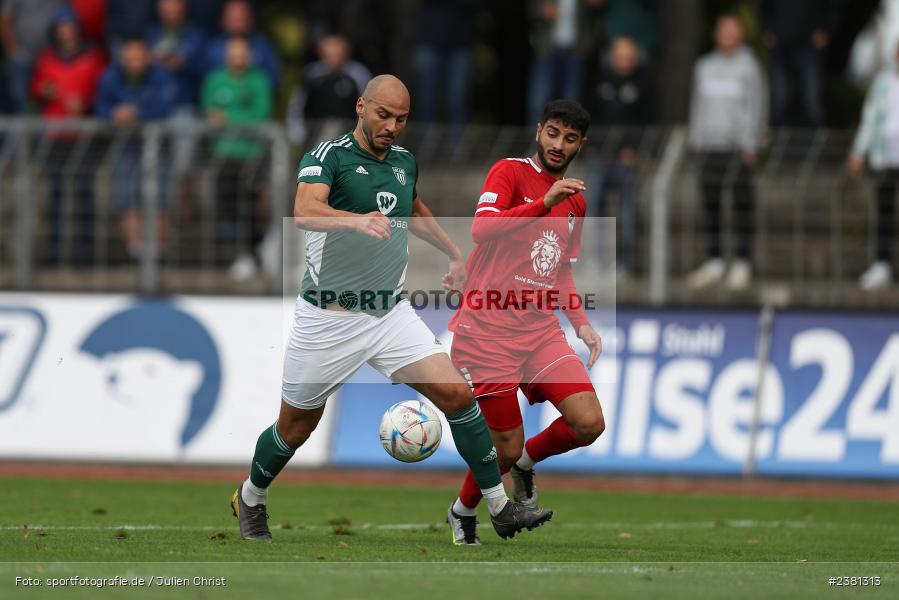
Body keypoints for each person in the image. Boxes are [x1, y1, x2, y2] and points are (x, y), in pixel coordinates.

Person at [230, 74, 552, 542]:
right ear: (361, 107)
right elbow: (304, 210)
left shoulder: (403, 162)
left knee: (460, 397)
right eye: (383, 115)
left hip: (389, 314)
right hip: (329, 318)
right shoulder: (329, 157)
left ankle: (500, 508)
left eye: (401, 119)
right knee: (295, 427)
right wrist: (357, 221)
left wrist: (453, 251)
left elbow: (413, 208)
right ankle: (251, 496)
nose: (392, 126)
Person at [445, 99, 604, 545]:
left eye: (569, 138)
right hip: (487, 332)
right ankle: (461, 512)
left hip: (539, 332)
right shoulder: (510, 172)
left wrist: (580, 323)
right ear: (539, 131)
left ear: (580, 144)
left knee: (589, 423)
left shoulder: (576, 202)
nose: (559, 144)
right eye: (552, 133)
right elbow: (481, 229)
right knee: (503, 447)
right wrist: (542, 202)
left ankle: (527, 465)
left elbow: (562, 267)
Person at [686, 14, 766, 291]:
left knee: (742, 205)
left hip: (737, 148)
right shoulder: (704, 66)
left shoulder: (750, 67)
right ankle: (715, 260)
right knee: (711, 205)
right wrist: (695, 139)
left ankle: (743, 261)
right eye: (724, 30)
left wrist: (751, 143)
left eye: (733, 31)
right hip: (709, 146)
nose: (728, 36)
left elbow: (757, 106)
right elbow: (697, 105)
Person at [31, 7, 106, 265]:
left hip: (82, 135)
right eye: (61, 27)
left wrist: (85, 104)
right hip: (54, 134)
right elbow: (36, 88)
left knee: (84, 195)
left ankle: (84, 253)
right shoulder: (47, 58)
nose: (66, 32)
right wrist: (45, 90)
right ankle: (55, 251)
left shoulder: (92, 58)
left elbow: (101, 90)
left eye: (70, 26)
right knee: (56, 196)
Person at [96, 37, 178, 260]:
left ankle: (158, 252)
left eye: (139, 57)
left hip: (158, 144)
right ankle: (135, 251)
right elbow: (100, 106)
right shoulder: (111, 76)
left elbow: (167, 106)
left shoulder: (161, 75)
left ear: (147, 57)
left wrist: (137, 114)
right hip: (126, 144)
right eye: (130, 57)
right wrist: (114, 114)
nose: (135, 62)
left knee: (161, 196)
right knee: (127, 196)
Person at [201, 36, 271, 281]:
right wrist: (234, 116)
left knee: (248, 205)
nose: (237, 57)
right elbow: (209, 111)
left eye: (241, 52)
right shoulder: (215, 79)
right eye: (233, 52)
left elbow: (260, 113)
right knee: (227, 204)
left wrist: (229, 118)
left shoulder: (258, 81)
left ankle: (252, 251)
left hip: (250, 153)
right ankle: (253, 247)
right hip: (222, 153)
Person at [586, 35, 655, 277]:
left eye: (629, 54)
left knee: (627, 211)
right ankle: (596, 258)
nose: (624, 59)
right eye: (619, 54)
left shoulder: (644, 85)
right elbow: (586, 117)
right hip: (599, 157)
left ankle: (624, 263)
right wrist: (591, 147)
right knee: (595, 209)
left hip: (627, 160)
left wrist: (635, 150)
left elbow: (648, 123)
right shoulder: (599, 82)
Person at [848, 43, 899, 291]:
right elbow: (869, 118)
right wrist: (859, 151)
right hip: (886, 159)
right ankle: (882, 265)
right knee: (884, 213)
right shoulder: (882, 83)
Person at [759, 0, 840, 128]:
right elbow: (763, 5)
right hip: (781, 44)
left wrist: (826, 31)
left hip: (810, 44)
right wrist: (766, 30)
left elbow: (834, 6)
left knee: (812, 102)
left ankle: (816, 145)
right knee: (780, 100)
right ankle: (780, 145)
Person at [526, 0, 603, 125]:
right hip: (547, 50)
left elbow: (597, 8)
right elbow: (533, 8)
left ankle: (567, 142)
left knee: (571, 105)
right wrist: (542, 11)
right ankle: (536, 143)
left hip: (576, 52)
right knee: (538, 102)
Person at [286, 34, 370, 145]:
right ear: (321, 54)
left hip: (350, 135)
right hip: (314, 135)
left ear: (346, 54)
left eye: (337, 54)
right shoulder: (311, 74)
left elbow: (369, 105)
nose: (333, 59)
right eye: (329, 55)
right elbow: (297, 105)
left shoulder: (358, 75)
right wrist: (297, 132)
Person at [413, 0, 478, 125]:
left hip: (461, 45)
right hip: (429, 41)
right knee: (426, 101)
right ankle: (426, 144)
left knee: (457, 101)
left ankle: (458, 144)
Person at [0, 0, 67, 112]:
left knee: (49, 101)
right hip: (21, 58)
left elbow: (65, 16)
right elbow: (5, 18)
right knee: (19, 101)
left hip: (50, 59)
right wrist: (13, 51)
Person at [204, 0, 279, 90]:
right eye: (233, 18)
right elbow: (205, 82)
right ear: (223, 20)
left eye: (241, 17)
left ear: (251, 19)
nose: (237, 23)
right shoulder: (213, 48)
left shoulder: (262, 47)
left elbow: (274, 79)